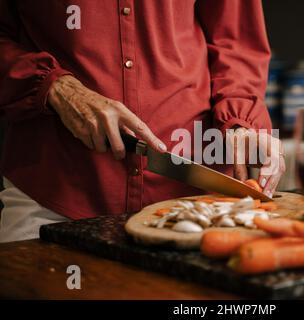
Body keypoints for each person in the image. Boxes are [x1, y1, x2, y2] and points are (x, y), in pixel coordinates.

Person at [0, 0, 285, 242]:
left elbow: (236, 41)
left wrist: (239, 118)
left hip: (197, 206)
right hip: (54, 191)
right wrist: (56, 88)